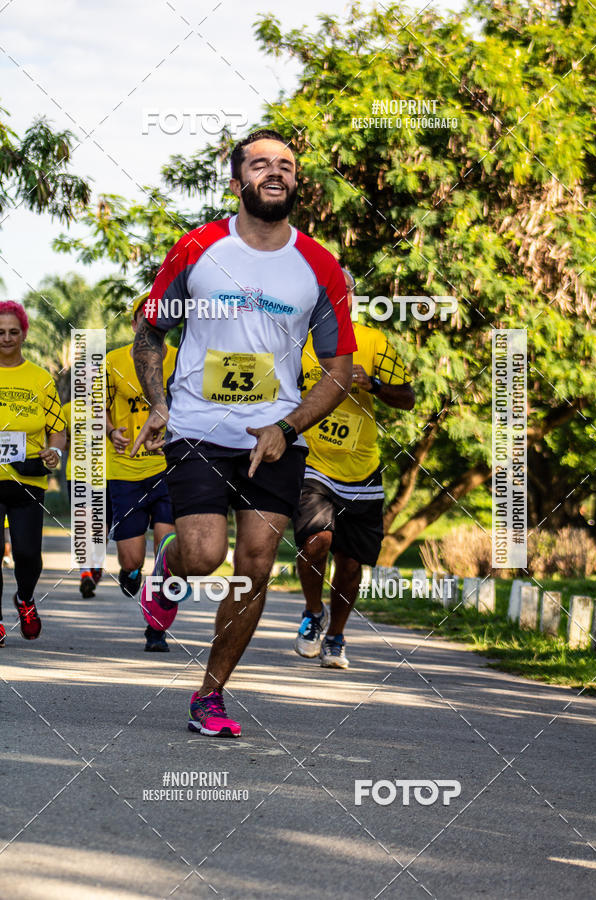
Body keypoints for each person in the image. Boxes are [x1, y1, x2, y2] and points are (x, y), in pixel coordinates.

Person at [131, 128, 356, 736]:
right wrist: (158, 402)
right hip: (200, 424)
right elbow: (150, 327)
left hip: (275, 435)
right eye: (260, 163)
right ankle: (168, 570)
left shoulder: (320, 266)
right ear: (238, 183)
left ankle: (210, 696)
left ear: (295, 181)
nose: (274, 170)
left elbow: (338, 369)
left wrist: (287, 425)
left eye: (285, 163)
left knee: (255, 566)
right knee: (203, 556)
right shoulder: (198, 248)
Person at [293, 269, 415, 667]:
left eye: (341, 289)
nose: (334, 296)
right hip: (312, 461)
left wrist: (374, 384)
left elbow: (408, 398)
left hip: (362, 466)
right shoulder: (297, 339)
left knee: (349, 563)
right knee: (317, 541)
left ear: (352, 295)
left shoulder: (373, 341)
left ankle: (336, 636)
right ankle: (313, 612)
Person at [105, 294, 176, 637]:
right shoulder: (113, 360)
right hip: (126, 470)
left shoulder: (184, 359)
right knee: (131, 560)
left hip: (170, 469)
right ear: (134, 324)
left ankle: (157, 627)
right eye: (143, 318)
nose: (149, 324)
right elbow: (96, 406)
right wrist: (110, 430)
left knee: (168, 554)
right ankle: (131, 573)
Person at [0, 301, 66, 646]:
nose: (7, 338)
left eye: (13, 331)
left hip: (27, 478)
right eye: (0, 332)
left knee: (26, 553)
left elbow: (57, 430)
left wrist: (54, 452)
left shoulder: (40, 378)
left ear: (23, 333)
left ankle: (25, 599)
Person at [62, 399, 112, 598]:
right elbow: (61, 440)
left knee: (102, 526)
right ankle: (85, 572)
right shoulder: (68, 410)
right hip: (77, 475)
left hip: (106, 475)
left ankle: (97, 565)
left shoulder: (110, 408)